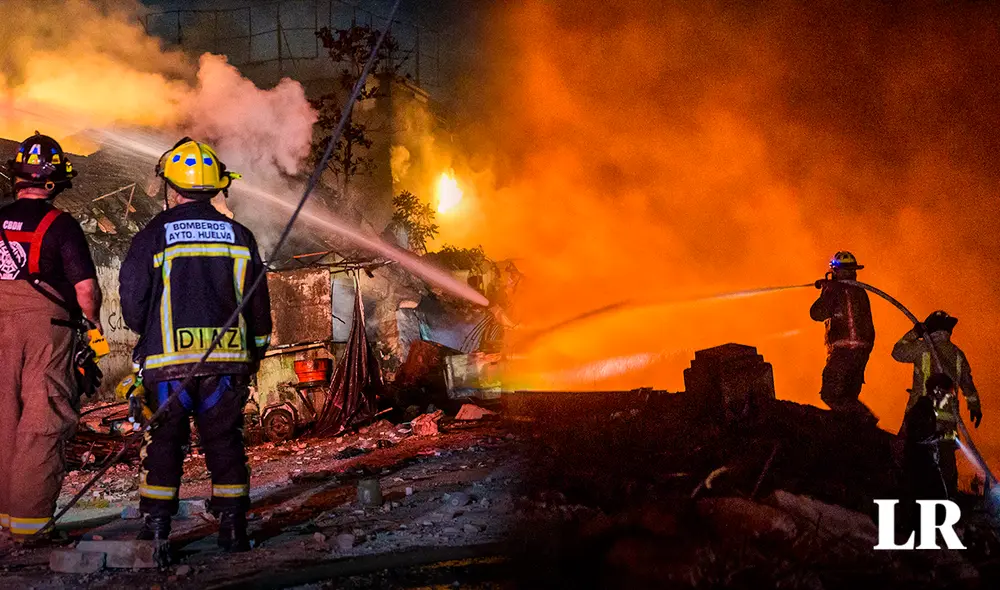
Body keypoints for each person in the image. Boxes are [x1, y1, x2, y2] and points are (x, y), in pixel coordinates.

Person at [120, 137, 271, 553]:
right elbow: (258, 304)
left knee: (164, 442)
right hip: (226, 364)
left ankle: (155, 530)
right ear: (217, 186)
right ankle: (235, 527)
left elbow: (132, 300)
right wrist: (254, 351)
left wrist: (146, 333)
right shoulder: (240, 236)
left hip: (169, 366)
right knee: (225, 440)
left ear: (172, 187)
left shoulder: (154, 235)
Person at [0, 133, 102, 546]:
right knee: (42, 418)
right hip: (47, 331)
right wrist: (93, 328)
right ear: (53, 183)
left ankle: (4, 520)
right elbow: (85, 291)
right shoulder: (61, 225)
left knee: (2, 416)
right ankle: (29, 526)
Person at [892, 310, 981, 497]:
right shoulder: (958, 354)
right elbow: (967, 383)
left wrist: (915, 333)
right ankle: (949, 503)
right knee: (946, 465)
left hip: (922, 416)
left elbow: (897, 352)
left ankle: (910, 501)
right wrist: (974, 406)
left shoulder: (922, 348)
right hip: (948, 420)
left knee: (909, 457)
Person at [810, 251, 877, 422]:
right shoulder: (860, 291)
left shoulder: (835, 291)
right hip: (862, 352)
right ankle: (856, 429)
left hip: (845, 351)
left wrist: (825, 291)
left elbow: (817, 314)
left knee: (830, 393)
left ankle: (865, 418)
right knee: (848, 395)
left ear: (835, 271)